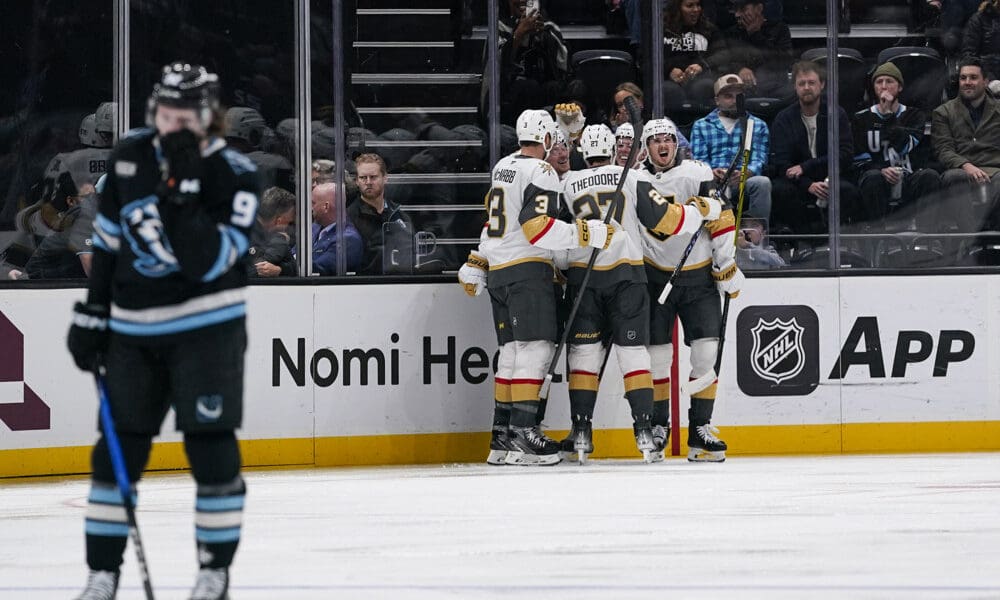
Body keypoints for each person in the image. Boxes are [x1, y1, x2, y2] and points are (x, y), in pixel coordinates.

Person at [66, 62, 261, 600]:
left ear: (207, 118)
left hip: (208, 332)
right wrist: (93, 312)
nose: (170, 124)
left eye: (183, 116)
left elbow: (205, 262)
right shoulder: (129, 157)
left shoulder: (236, 173)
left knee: (209, 445)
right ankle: (101, 574)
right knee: (115, 453)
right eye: (164, 113)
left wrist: (181, 190)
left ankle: (212, 572)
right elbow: (105, 245)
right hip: (133, 334)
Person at [457, 109, 614, 466]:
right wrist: (587, 233)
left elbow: (498, 220)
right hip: (527, 270)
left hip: (499, 271)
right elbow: (536, 227)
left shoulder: (503, 166)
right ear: (545, 139)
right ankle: (526, 432)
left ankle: (503, 437)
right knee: (536, 350)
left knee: (512, 352)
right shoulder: (540, 170)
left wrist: (478, 260)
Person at [558, 124, 720, 461]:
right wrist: (700, 211)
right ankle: (646, 431)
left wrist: (562, 268)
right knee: (635, 355)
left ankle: (582, 434)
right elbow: (667, 219)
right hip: (627, 276)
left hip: (583, 279)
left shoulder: (567, 183)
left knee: (583, 357)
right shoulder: (631, 178)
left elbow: (558, 240)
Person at [640, 117, 743, 462]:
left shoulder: (696, 173)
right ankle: (657, 427)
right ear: (647, 147)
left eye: (668, 138)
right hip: (654, 277)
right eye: (656, 140)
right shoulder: (636, 179)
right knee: (657, 357)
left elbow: (723, 218)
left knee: (705, 352)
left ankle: (700, 428)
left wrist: (724, 264)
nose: (663, 145)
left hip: (697, 279)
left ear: (677, 143)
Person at [769, 61, 861, 234]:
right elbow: (781, 163)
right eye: (801, 83)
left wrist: (806, 166)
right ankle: (800, 244)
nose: (806, 87)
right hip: (798, 182)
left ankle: (842, 245)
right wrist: (808, 184)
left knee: (848, 191)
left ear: (822, 85)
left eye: (811, 83)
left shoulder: (836, 114)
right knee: (780, 190)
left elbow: (845, 154)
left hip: (832, 177)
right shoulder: (783, 119)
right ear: (795, 88)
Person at [851, 61, 941, 231]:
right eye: (879, 82)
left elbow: (905, 146)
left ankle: (926, 238)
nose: (884, 86)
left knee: (930, 176)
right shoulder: (860, 118)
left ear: (900, 87)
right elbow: (859, 158)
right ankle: (877, 238)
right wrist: (881, 169)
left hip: (908, 176)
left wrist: (888, 116)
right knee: (872, 178)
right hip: (876, 178)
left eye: (889, 81)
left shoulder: (914, 115)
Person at [690, 74, 772, 220]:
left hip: (744, 180)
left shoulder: (757, 125)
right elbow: (698, 160)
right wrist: (711, 172)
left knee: (762, 183)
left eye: (739, 97)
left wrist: (746, 172)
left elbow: (760, 158)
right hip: (713, 181)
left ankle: (756, 232)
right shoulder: (701, 125)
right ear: (717, 100)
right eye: (728, 96)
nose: (735, 101)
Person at [932, 58, 1000, 232]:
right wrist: (967, 166)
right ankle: (970, 237)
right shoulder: (943, 112)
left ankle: (991, 234)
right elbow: (943, 149)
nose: (967, 83)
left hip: (996, 169)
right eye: (963, 78)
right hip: (961, 169)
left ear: (985, 81)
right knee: (954, 177)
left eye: (973, 77)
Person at [485, 0, 569, 124]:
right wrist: (518, 35)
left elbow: (562, 71)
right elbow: (493, 69)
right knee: (527, 86)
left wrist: (542, 36)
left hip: (543, 101)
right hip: (509, 104)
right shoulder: (498, 27)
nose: (522, 0)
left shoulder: (549, 28)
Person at [346, 153, 414, 274]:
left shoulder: (399, 215)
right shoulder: (349, 217)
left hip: (402, 283)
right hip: (365, 285)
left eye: (373, 177)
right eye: (363, 178)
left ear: (385, 178)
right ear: (356, 181)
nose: (368, 182)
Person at [712, 0, 793, 101]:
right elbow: (723, 61)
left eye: (743, 9)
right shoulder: (731, 33)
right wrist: (740, 69)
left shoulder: (780, 29)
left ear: (759, 8)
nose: (737, 14)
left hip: (774, 86)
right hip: (741, 88)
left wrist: (755, 34)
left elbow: (785, 61)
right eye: (736, 10)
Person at [663, 0, 721, 109]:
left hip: (701, 78)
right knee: (669, 90)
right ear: (677, 9)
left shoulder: (709, 29)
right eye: (690, 6)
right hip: (669, 80)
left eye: (698, 5)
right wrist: (669, 70)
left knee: (704, 86)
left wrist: (701, 66)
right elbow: (646, 59)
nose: (696, 9)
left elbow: (721, 55)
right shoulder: (661, 30)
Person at [310, 182, 363, 275]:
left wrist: (281, 268)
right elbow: (293, 254)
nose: (310, 208)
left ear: (326, 207)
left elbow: (318, 270)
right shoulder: (314, 227)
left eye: (313, 203)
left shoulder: (348, 239)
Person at [248, 186, 297, 278]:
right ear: (279, 221)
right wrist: (279, 241)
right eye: (289, 223)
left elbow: (295, 267)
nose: (288, 228)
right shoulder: (244, 233)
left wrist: (280, 270)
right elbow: (249, 270)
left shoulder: (272, 237)